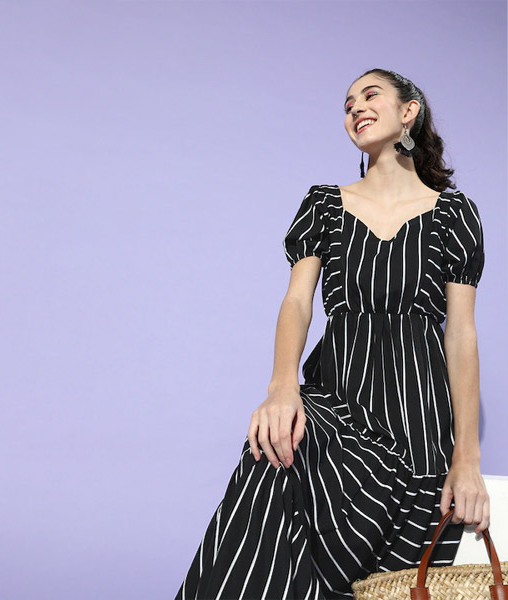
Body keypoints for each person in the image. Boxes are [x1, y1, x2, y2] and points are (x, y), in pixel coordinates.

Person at [174, 68, 490, 600]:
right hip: (339, 398)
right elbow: (297, 302)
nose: (355, 108)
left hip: (417, 422)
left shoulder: (452, 215)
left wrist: (467, 460)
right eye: (347, 104)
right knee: (274, 447)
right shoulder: (325, 205)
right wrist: (282, 388)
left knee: (388, 583)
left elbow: (461, 335)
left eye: (370, 95)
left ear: (408, 111)